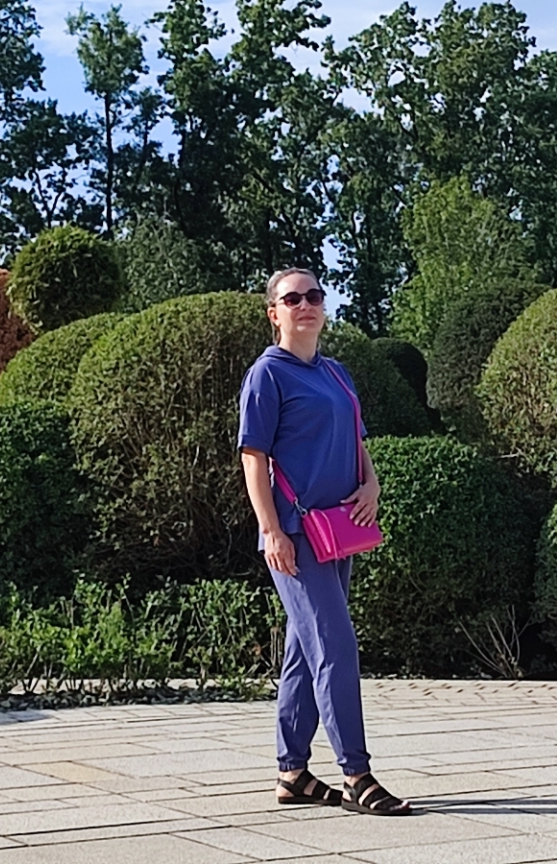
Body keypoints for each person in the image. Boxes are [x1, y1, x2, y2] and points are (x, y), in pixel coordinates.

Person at [237, 268, 412, 816]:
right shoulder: (268, 374)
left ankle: (292, 774)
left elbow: (357, 440)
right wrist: (271, 530)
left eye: (314, 295)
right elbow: (253, 458)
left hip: (337, 530)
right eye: (293, 298)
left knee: (303, 650)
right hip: (294, 533)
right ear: (275, 313)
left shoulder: (337, 372)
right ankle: (356, 773)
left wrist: (372, 483)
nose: (306, 304)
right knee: (334, 645)